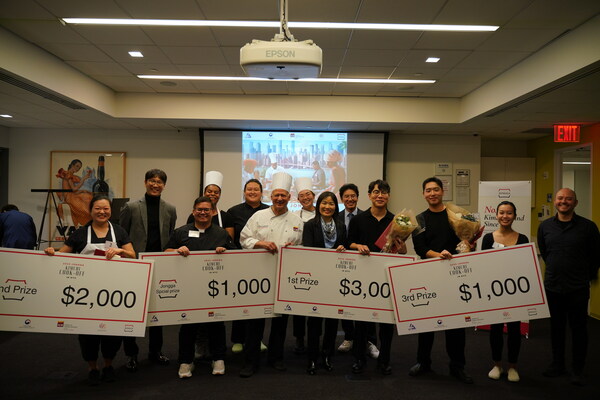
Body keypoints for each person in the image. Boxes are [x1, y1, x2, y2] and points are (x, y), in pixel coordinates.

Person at [44, 195, 135, 385]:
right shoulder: (79, 233)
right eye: (98, 209)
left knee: (113, 332)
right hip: (85, 295)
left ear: (111, 211)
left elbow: (133, 256)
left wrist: (121, 251)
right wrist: (52, 252)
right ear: (91, 211)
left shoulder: (119, 231)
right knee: (87, 335)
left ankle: (108, 365)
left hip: (113, 293)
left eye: (106, 209)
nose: (102, 212)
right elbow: (62, 255)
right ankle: (92, 368)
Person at [239, 172, 304, 377]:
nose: (279, 199)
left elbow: (302, 247)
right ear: (271, 196)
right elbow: (244, 239)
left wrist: (294, 250)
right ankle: (250, 362)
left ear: (289, 197)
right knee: (255, 322)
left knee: (280, 321)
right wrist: (261, 243)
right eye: (276, 195)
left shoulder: (297, 221)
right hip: (259, 277)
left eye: (283, 195)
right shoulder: (259, 216)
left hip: (283, 276)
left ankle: (276, 358)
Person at [409, 177, 473, 384]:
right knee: (426, 323)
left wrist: (466, 245)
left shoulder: (457, 215)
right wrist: (439, 255)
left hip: (454, 274)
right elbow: (419, 248)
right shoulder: (419, 219)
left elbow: (466, 241)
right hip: (428, 275)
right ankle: (423, 362)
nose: (432, 193)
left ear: (442, 191)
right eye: (428, 190)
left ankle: (458, 366)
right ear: (423, 194)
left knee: (455, 323)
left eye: (435, 189)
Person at [165, 196, 235, 379]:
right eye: (199, 209)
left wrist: (224, 252)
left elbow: (235, 256)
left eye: (206, 210)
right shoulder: (181, 232)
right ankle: (185, 361)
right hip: (188, 288)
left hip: (215, 288)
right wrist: (176, 251)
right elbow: (165, 252)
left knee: (217, 323)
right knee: (188, 325)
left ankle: (218, 358)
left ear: (213, 212)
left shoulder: (221, 233)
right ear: (193, 211)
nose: (203, 213)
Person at [537, 188, 600, 386]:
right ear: (555, 201)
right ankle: (558, 365)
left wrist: (586, 277)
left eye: (568, 199)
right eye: (560, 198)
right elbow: (546, 252)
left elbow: (595, 256)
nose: (564, 202)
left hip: (577, 287)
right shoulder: (545, 226)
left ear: (576, 202)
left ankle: (577, 369)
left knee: (579, 329)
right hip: (553, 285)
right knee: (556, 328)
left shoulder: (588, 227)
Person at [119, 169, 177, 371]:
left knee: (157, 311)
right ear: (145, 182)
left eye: (160, 182)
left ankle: (155, 351)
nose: (155, 184)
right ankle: (131, 354)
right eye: (152, 181)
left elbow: (170, 237)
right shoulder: (131, 207)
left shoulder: (170, 208)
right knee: (131, 310)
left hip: (159, 264)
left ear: (164, 185)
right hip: (134, 264)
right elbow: (121, 235)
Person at [348, 179, 406, 375]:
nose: (379, 196)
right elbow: (349, 243)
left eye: (383, 192)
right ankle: (359, 359)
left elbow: (402, 252)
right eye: (375, 192)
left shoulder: (396, 221)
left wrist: (402, 247)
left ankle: (384, 360)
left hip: (386, 277)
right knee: (361, 321)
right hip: (363, 277)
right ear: (369, 195)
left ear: (388, 196)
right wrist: (358, 246)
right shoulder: (358, 219)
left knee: (387, 324)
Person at [481, 201, 529, 383]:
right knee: (495, 329)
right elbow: (483, 264)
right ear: (496, 215)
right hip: (494, 291)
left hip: (514, 291)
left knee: (515, 329)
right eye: (501, 212)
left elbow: (525, 266)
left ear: (515, 216)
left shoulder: (522, 238)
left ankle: (513, 367)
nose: (505, 216)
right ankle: (497, 364)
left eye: (509, 213)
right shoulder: (487, 238)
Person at [302, 191, 346, 375]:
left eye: (331, 204)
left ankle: (327, 355)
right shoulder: (310, 225)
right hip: (316, 278)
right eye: (324, 203)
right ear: (318, 205)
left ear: (336, 207)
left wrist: (342, 248)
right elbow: (309, 251)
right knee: (314, 320)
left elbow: (343, 248)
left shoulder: (341, 226)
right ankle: (312, 357)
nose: (327, 207)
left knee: (331, 321)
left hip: (335, 279)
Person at [227, 179, 270, 354]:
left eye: (256, 190)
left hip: (263, 262)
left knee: (259, 302)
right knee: (240, 300)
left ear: (261, 192)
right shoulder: (233, 211)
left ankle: (257, 338)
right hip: (240, 261)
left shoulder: (269, 211)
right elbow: (230, 238)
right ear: (244, 192)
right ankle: (237, 339)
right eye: (249, 189)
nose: (252, 192)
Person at [292, 177, 316, 354]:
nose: (305, 197)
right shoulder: (294, 217)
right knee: (299, 303)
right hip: (300, 262)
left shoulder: (325, 213)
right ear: (298, 200)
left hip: (319, 262)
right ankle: (299, 338)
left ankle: (315, 337)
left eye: (308, 194)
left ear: (313, 195)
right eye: (302, 195)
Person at [56, 159, 93, 227]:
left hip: (71, 195)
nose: (78, 169)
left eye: (79, 167)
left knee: (88, 196)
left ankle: (91, 216)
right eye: (77, 166)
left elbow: (72, 191)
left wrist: (83, 191)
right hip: (68, 197)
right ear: (72, 165)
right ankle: (89, 217)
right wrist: (83, 179)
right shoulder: (67, 174)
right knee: (87, 199)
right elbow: (74, 189)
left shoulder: (70, 174)